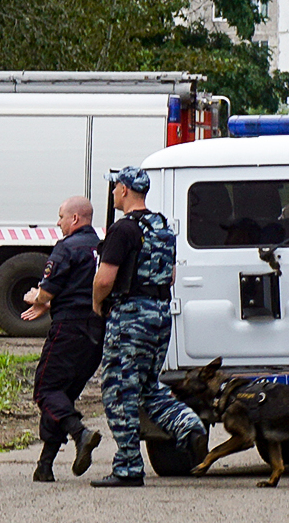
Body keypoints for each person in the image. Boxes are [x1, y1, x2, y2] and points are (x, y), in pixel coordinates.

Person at [89, 167, 209, 487]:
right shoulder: (162, 228)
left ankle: (128, 466)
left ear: (126, 190)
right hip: (160, 313)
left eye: (115, 187)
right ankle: (189, 426)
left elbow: (105, 278)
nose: (113, 192)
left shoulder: (122, 230)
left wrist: (98, 303)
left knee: (119, 391)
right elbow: (169, 276)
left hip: (130, 317)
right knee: (147, 388)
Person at [21, 196, 103, 482]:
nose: (58, 223)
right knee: (62, 396)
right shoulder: (103, 247)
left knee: (45, 390)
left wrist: (37, 298)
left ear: (75, 219)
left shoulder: (67, 248)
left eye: (60, 217)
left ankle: (81, 434)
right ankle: (45, 465)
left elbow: (47, 291)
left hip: (69, 328)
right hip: (97, 331)